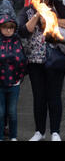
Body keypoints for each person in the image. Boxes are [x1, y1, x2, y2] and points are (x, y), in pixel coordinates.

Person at [17, 0, 65, 141]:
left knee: (54, 96)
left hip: (55, 59)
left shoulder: (56, 6)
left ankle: (55, 131)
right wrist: (38, 14)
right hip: (34, 61)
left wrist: (53, 18)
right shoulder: (27, 11)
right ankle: (39, 131)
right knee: (39, 97)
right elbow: (22, 31)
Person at [0, 13, 27, 141]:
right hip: (0, 83)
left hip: (14, 83)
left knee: (12, 112)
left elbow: (22, 60)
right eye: (5, 27)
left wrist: (19, 78)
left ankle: (13, 136)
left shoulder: (17, 41)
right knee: (0, 112)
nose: (8, 30)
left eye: (11, 27)